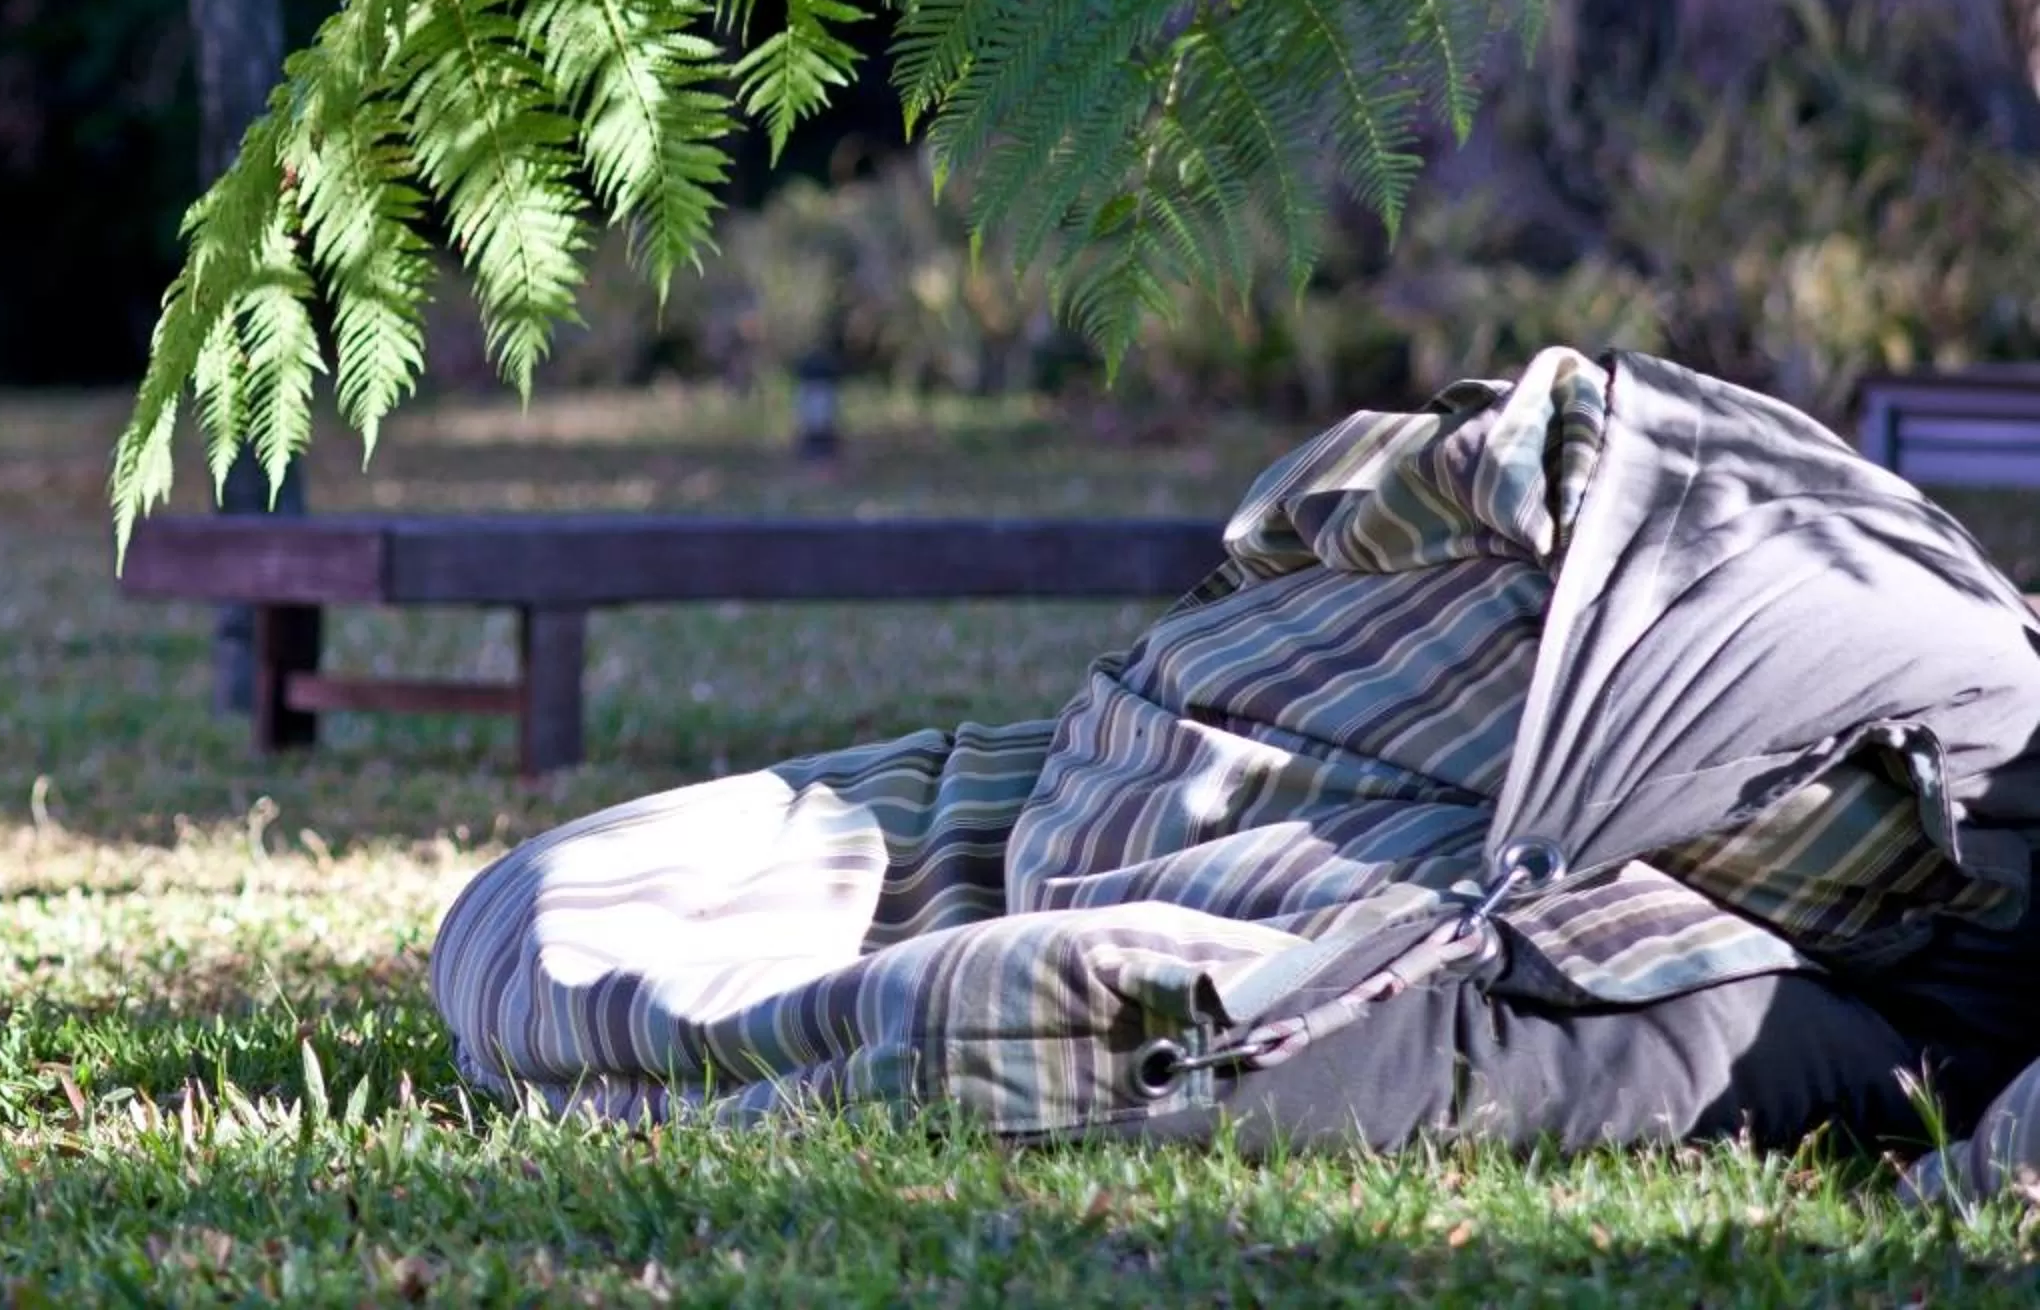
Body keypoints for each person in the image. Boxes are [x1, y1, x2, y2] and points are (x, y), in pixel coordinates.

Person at [430, 348, 2040, 1171]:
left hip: (1561, 799)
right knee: (546, 929)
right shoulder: (1957, 687)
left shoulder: (1770, 1011)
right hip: (1332, 698)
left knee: (602, 959)